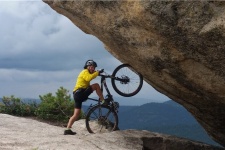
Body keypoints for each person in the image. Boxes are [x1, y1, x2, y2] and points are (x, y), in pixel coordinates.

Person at [64, 60, 110, 135]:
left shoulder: (87, 72)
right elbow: (88, 78)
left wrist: (97, 73)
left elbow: (91, 76)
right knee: (96, 86)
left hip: (77, 95)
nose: (93, 69)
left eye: (94, 67)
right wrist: (97, 72)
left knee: (76, 114)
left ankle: (68, 129)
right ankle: (103, 101)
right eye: (91, 67)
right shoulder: (84, 71)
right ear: (87, 67)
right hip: (80, 93)